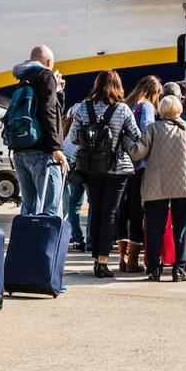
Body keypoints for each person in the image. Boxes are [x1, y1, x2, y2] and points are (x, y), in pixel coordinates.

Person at [128, 95, 186, 282]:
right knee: (181, 227)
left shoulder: (153, 129)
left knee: (154, 227)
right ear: (180, 110)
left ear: (161, 110)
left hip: (155, 186)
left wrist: (126, 141)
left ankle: (154, 269)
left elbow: (137, 153)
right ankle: (179, 269)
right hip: (184, 185)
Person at [67, 70, 141, 278]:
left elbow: (73, 138)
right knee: (110, 214)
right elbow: (137, 136)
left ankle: (95, 260)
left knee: (96, 210)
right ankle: (103, 261)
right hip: (117, 168)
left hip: (91, 167)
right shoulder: (123, 109)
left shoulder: (83, 107)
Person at [10, 45, 68, 216]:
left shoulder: (23, 77)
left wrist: (58, 92)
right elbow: (49, 112)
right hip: (42, 152)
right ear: (49, 62)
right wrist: (55, 148)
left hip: (21, 151)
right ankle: (48, 243)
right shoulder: (46, 75)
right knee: (51, 208)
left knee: (29, 207)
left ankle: (27, 243)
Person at [116, 75, 161, 272]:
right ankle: (133, 260)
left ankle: (122, 257)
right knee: (137, 211)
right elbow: (146, 131)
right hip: (140, 164)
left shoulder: (126, 104)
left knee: (122, 210)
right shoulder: (147, 106)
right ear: (153, 92)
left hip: (120, 164)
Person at [62, 102, 89, 253]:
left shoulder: (73, 109)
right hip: (89, 160)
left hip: (72, 161)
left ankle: (77, 237)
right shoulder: (90, 107)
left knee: (74, 203)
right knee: (93, 203)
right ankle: (91, 240)